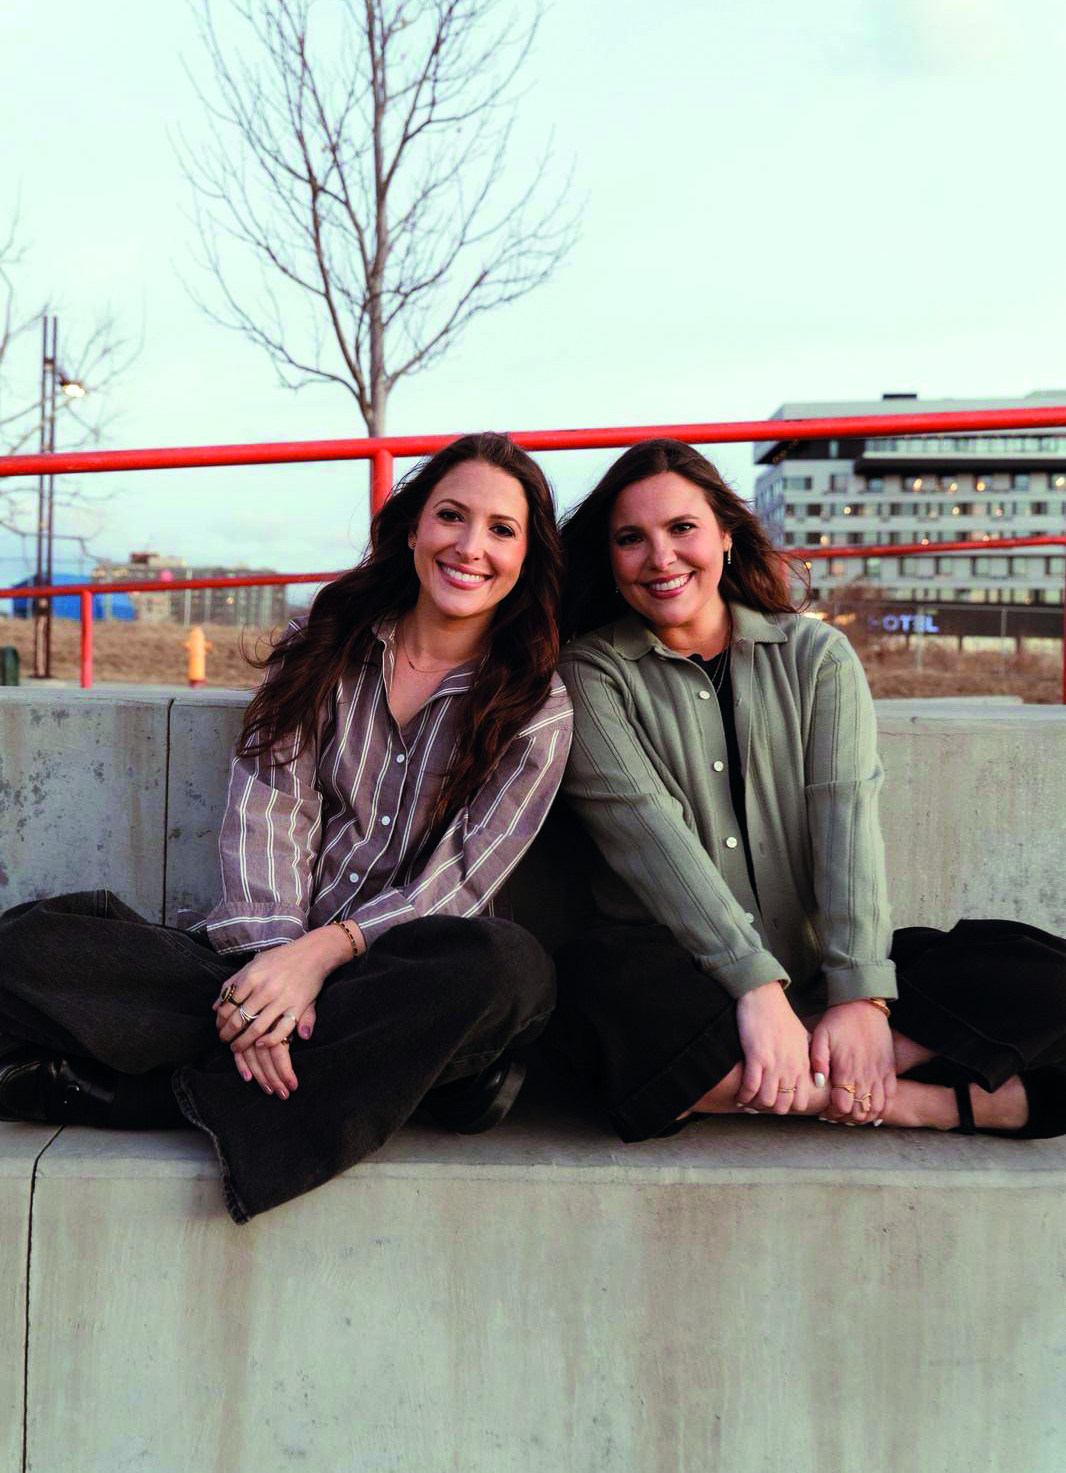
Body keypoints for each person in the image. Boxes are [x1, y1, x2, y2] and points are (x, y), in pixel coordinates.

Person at [0, 433, 573, 1221]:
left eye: (501, 530)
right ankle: (414, 1077)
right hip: (259, 960)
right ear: (413, 529)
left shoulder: (537, 709)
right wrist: (274, 968)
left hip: (403, 971)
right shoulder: (322, 650)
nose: (471, 546)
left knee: (510, 971)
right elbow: (269, 809)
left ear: (525, 555)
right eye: (451, 516)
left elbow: (464, 881)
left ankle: (146, 1096)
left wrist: (320, 957)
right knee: (27, 944)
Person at [539, 437, 1066, 1143]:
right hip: (686, 985)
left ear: (725, 536)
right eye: (631, 539)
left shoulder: (814, 654)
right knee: (590, 987)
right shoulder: (591, 672)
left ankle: (803, 1070)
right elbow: (651, 841)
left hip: (819, 970)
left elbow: (846, 819)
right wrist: (755, 990)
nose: (660, 557)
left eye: (682, 529)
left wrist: (861, 1001)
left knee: (1035, 970)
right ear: (611, 559)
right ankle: (914, 1098)